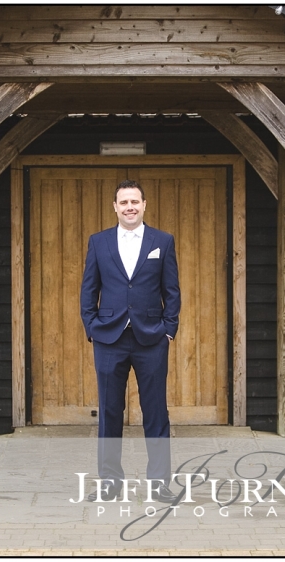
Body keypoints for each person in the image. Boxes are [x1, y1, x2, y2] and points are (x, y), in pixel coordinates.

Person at [80, 180, 180, 503]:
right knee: (109, 412)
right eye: (123, 202)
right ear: (115, 207)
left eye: (135, 201)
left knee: (156, 412)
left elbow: (172, 292)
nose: (129, 207)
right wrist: (92, 327)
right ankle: (110, 481)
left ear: (145, 204)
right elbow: (88, 290)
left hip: (151, 338)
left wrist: (168, 329)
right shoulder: (99, 242)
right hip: (109, 338)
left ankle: (159, 484)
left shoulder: (162, 242)